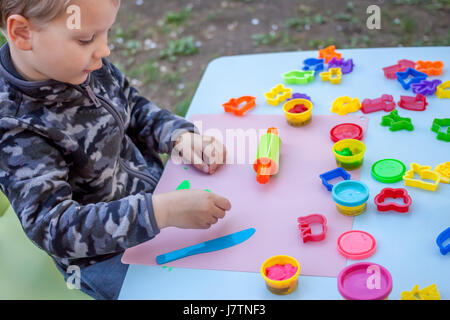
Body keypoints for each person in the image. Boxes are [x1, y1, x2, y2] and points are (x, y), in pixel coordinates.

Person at [0, 0, 231, 300]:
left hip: (157, 202)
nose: (104, 50)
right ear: (22, 34)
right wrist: (161, 212)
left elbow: (131, 106)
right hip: (106, 258)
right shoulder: (15, 127)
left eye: (106, 32)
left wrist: (176, 135)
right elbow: (54, 227)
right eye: (86, 38)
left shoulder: (81, 63)